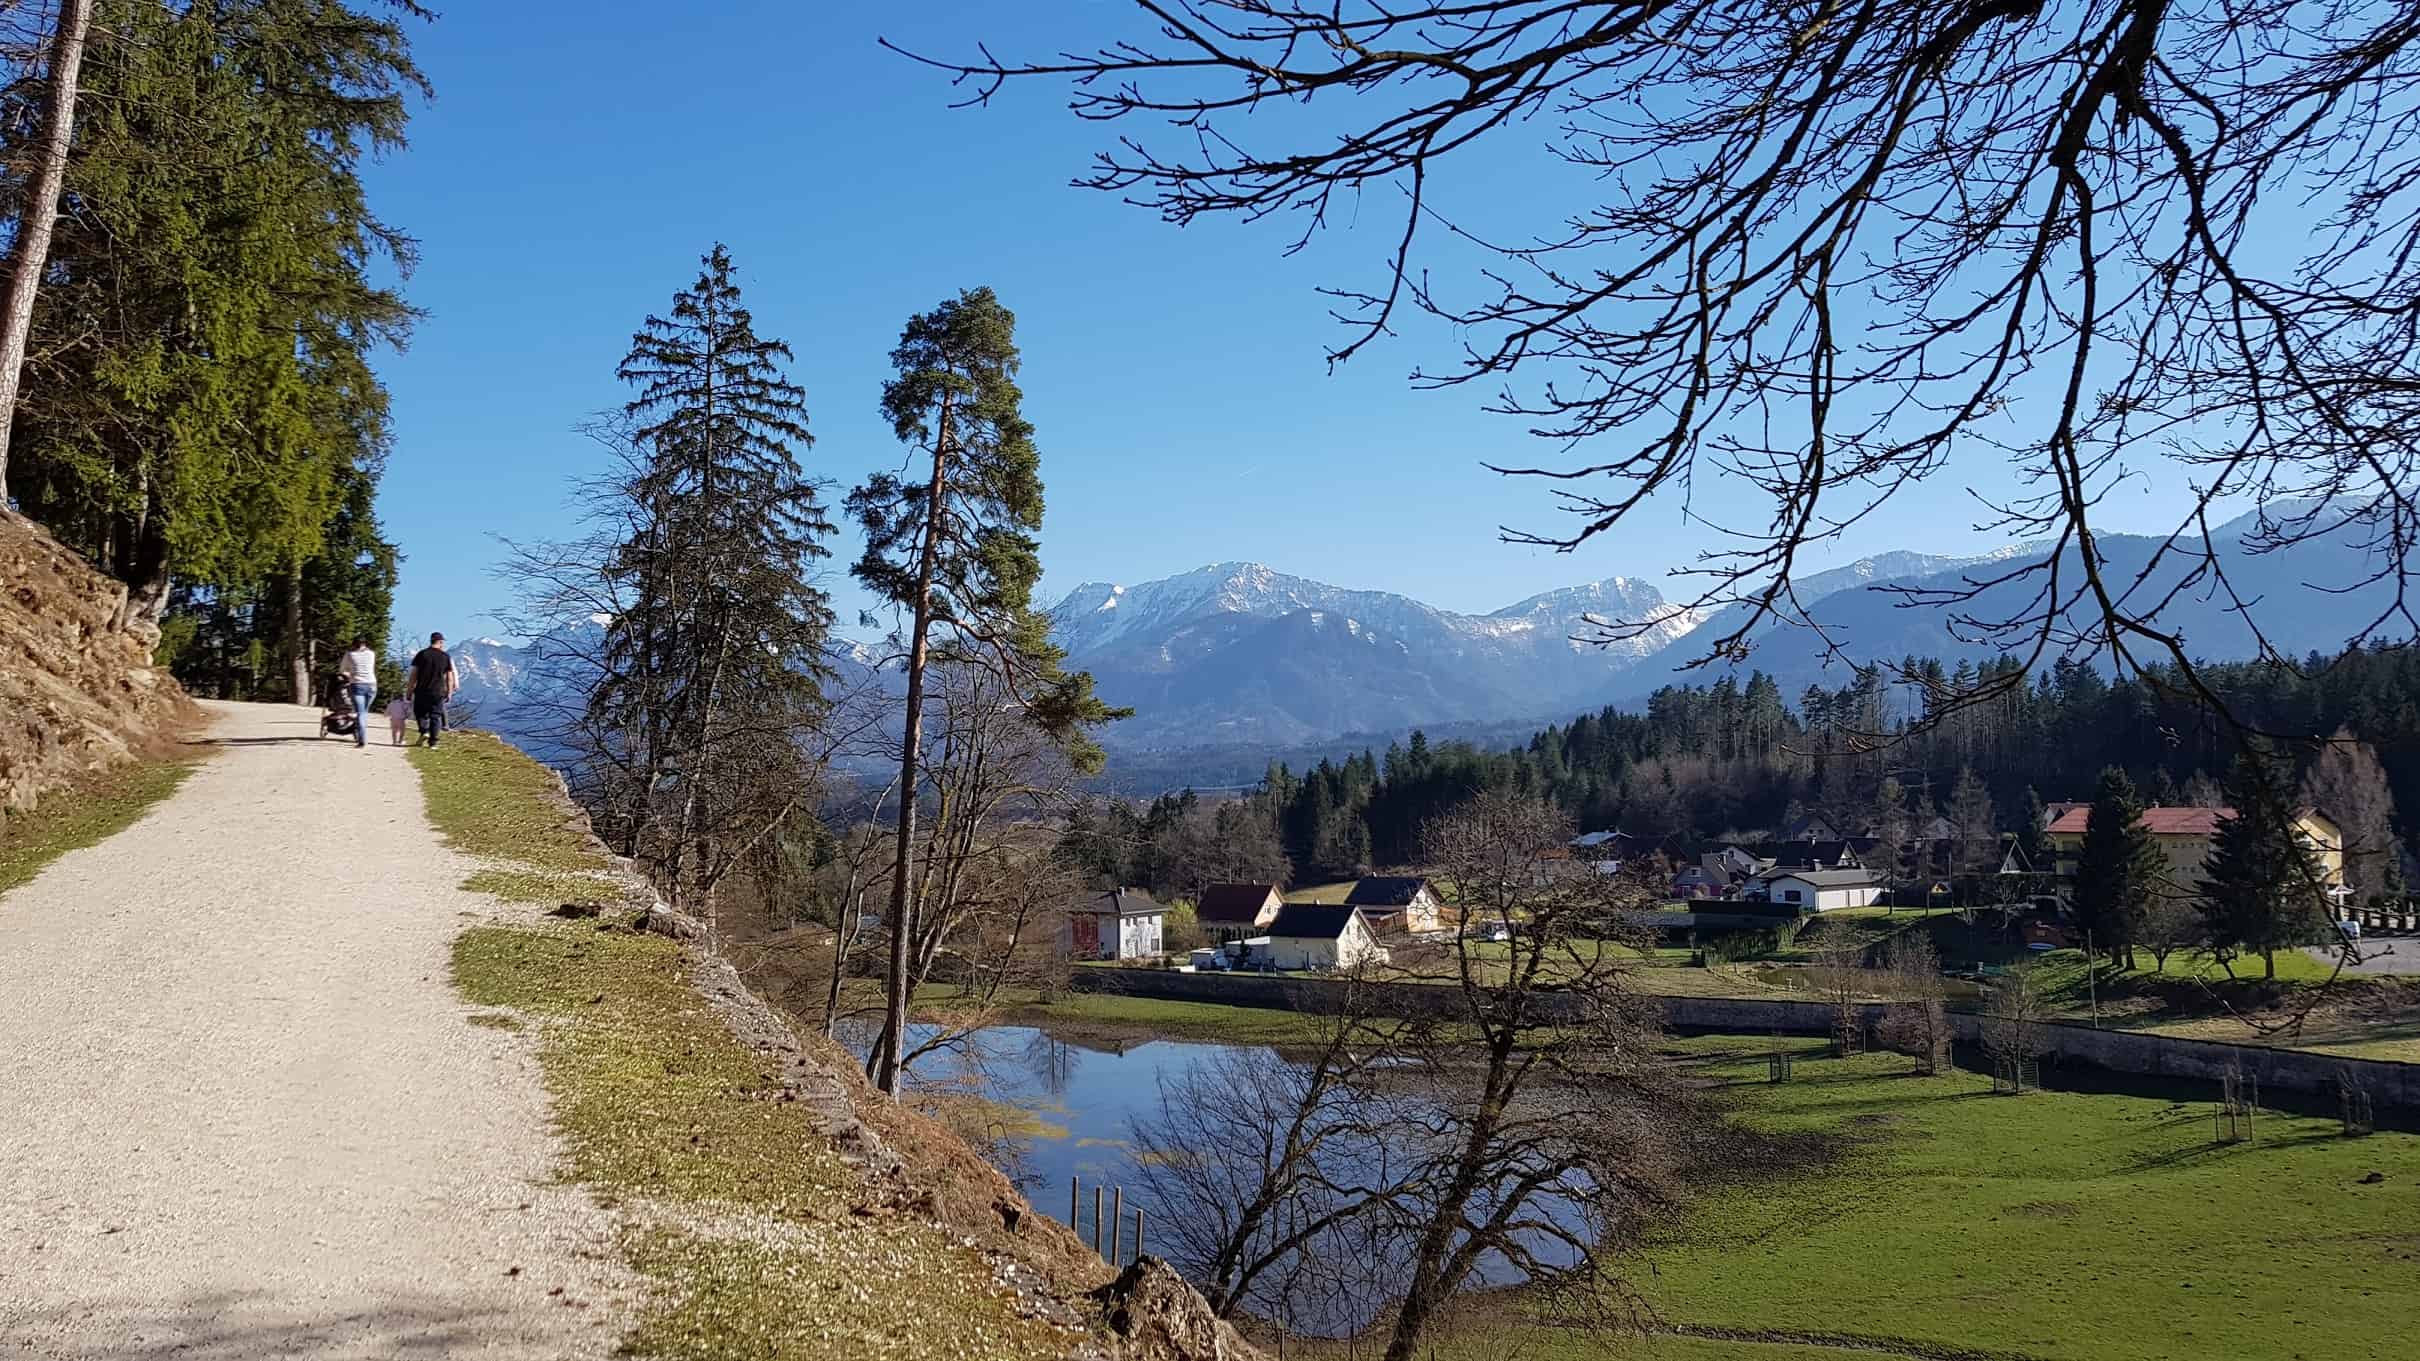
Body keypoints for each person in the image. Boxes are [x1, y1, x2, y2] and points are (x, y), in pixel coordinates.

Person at [406, 631, 458, 748]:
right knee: (436, 716)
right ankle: (433, 742)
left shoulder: (422, 654)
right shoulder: (445, 656)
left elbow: (414, 675)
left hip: (422, 690)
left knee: (420, 713)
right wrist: (449, 692)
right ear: (440, 642)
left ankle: (424, 731)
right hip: (438, 691)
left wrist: (409, 691)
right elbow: (449, 677)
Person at [338, 636, 378, 749]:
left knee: (361, 713)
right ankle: (359, 732)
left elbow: (342, 670)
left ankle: (362, 740)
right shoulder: (371, 654)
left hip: (357, 685)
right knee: (364, 712)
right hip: (372, 685)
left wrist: (349, 675)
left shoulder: (350, 654)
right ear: (365, 643)